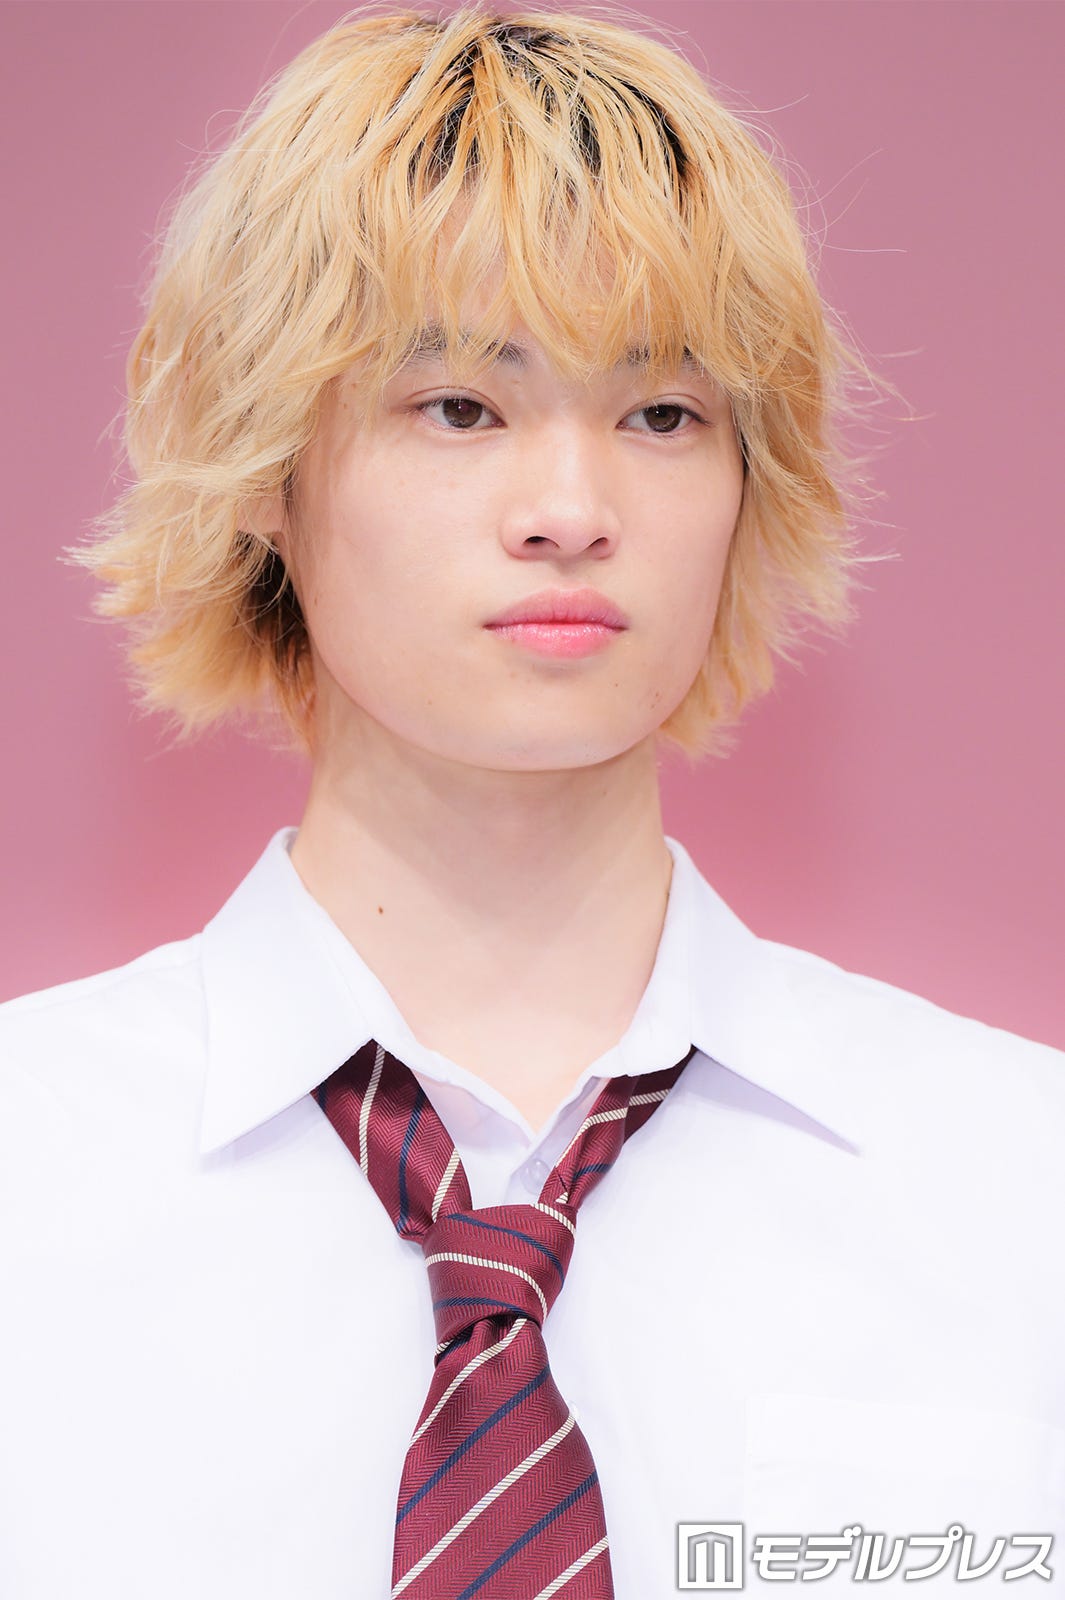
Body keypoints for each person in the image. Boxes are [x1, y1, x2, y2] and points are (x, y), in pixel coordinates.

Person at [2, 5, 1062, 1597]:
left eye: (662, 415)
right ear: (265, 474)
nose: (571, 509)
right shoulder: (27, 1178)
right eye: (458, 407)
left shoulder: (1019, 1186)